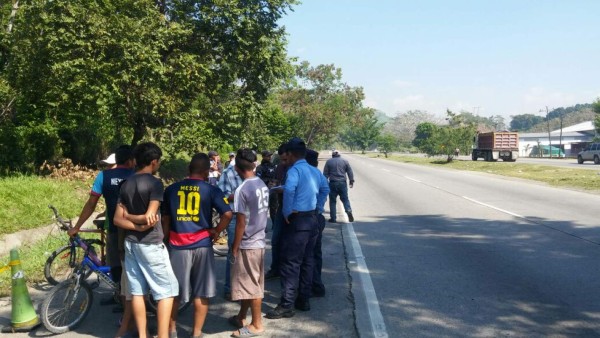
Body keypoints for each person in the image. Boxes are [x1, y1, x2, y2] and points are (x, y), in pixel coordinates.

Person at [162, 153, 233, 338]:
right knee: (202, 292)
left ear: (189, 169)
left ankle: (171, 330)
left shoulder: (171, 189)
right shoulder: (211, 190)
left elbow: (166, 219)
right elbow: (227, 214)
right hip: (202, 244)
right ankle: (196, 333)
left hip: (178, 246)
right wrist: (216, 231)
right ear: (206, 172)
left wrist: (165, 239)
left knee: (174, 292)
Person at [114, 142, 179, 338]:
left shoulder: (126, 184)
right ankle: (163, 335)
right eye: (158, 162)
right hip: (150, 244)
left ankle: (143, 335)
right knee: (167, 291)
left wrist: (131, 219)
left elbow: (118, 219)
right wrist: (140, 223)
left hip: (131, 244)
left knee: (137, 292)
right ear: (153, 162)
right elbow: (151, 218)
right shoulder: (155, 183)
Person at [266, 137, 329, 319]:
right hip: (312, 220)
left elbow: (291, 189)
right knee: (308, 261)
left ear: (291, 155)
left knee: (290, 264)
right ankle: (303, 299)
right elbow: (325, 189)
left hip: (298, 221)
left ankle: (286, 305)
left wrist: (286, 212)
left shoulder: (294, 170)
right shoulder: (313, 170)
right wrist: (318, 207)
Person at [68, 146, 135, 303]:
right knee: (132, 266)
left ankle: (120, 296)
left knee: (115, 264)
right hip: (135, 229)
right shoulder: (136, 175)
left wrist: (77, 226)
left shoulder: (103, 176)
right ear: (131, 160)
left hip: (114, 227)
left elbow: (91, 203)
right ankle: (126, 299)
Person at [228, 149, 268, 337]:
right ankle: (241, 315)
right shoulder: (261, 183)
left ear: (236, 168)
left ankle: (256, 324)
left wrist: (234, 248)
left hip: (248, 243)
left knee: (252, 285)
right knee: (248, 282)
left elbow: (240, 223)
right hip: (259, 240)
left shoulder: (242, 190)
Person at [217, 154, 243, 300]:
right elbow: (223, 196)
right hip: (234, 216)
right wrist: (242, 193)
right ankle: (230, 288)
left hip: (250, 217)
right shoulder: (228, 173)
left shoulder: (252, 173)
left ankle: (245, 287)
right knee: (234, 251)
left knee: (249, 253)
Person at [305, 149, 328, 298]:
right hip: (318, 216)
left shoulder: (307, 173)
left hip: (309, 217)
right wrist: (319, 207)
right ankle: (317, 283)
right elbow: (326, 189)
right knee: (316, 253)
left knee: (308, 255)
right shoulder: (318, 174)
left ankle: (312, 285)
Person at [264, 144, 289, 280]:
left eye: (285, 159)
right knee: (275, 240)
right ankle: (276, 268)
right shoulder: (279, 167)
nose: (283, 162)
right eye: (281, 160)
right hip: (282, 207)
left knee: (291, 242)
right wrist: (273, 185)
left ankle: (290, 270)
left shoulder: (297, 169)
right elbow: (275, 181)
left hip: (295, 211)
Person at [323, 150, 355, 223]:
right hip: (342, 183)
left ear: (332, 155)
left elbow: (325, 174)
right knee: (345, 199)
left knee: (333, 201)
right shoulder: (345, 161)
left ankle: (333, 218)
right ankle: (348, 210)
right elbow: (350, 171)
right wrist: (351, 180)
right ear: (339, 155)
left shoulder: (329, 162)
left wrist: (324, 184)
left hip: (332, 183)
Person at [256, 150, 278, 226]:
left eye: (270, 156)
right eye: (268, 156)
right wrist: (268, 181)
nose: (269, 157)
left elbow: (276, 176)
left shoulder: (273, 166)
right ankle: (263, 226)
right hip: (264, 191)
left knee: (274, 209)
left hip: (273, 190)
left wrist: (275, 182)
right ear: (263, 156)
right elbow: (258, 179)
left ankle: (274, 225)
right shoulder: (260, 167)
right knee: (264, 209)